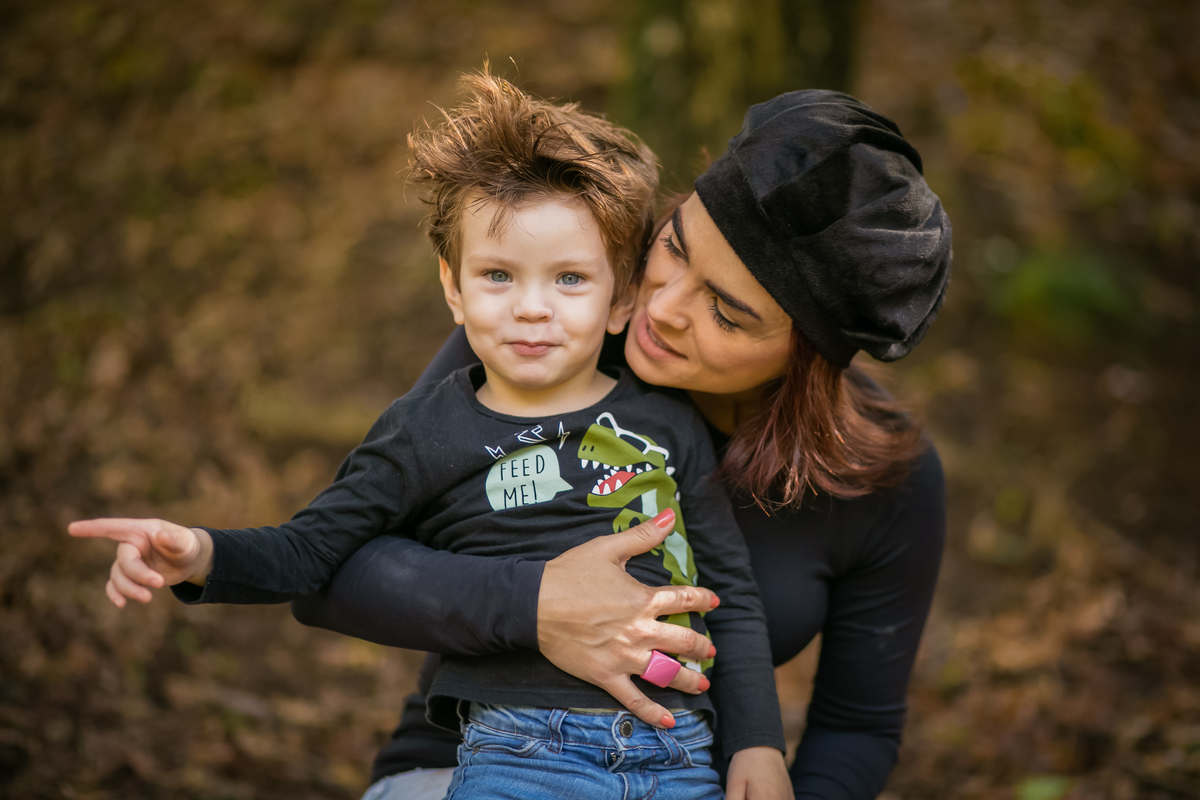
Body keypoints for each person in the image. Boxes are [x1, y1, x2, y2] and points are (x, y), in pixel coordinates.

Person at [68, 73, 792, 800]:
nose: (532, 308)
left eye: (570, 279)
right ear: (453, 288)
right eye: (498, 275)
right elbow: (311, 550)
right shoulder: (424, 431)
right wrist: (200, 553)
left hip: (682, 752)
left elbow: (729, 591)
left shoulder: (666, 422)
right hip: (522, 753)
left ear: (622, 299)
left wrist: (757, 743)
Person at [291, 89, 952, 800]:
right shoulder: (551, 343)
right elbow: (328, 570)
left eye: (725, 313)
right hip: (471, 768)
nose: (661, 307)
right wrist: (534, 603)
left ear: (806, 359)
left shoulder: (886, 479)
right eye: (674, 247)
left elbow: (857, 728)